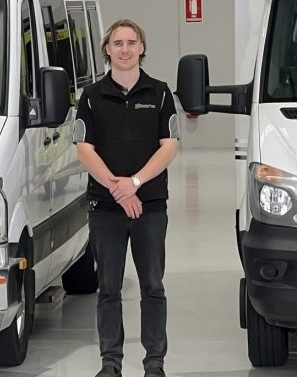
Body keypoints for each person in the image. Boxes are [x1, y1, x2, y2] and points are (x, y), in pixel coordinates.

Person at [73, 18, 180, 377]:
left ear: (142, 48)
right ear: (107, 49)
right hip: (105, 208)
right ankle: (111, 363)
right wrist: (117, 190)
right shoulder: (91, 97)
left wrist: (134, 183)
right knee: (108, 288)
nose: (124, 49)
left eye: (131, 42)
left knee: (153, 286)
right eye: (117, 43)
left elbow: (170, 147)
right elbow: (84, 150)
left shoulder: (160, 93)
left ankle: (154, 363)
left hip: (150, 207)